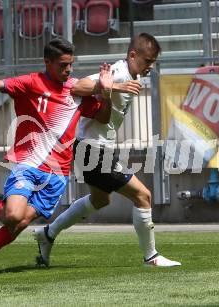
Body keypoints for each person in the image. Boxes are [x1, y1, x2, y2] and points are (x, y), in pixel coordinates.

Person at [0, 37, 140, 276]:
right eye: (63, 65)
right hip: (29, 164)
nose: (69, 70)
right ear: (48, 62)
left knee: (19, 224)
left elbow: (103, 118)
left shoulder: (75, 91)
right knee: (12, 215)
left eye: (71, 64)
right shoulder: (31, 83)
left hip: (58, 175)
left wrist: (105, 94)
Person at [33, 33, 181, 267]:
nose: (149, 67)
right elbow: (78, 87)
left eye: (152, 62)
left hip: (92, 149)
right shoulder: (119, 73)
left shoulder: (130, 74)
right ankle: (151, 257)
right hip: (92, 150)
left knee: (100, 200)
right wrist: (114, 85)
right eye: (147, 61)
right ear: (133, 56)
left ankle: (48, 233)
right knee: (143, 196)